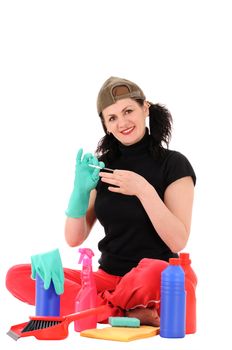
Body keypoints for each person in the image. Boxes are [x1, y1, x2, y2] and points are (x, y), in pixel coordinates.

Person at [6, 76, 196, 326]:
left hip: (149, 281)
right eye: (112, 118)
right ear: (106, 125)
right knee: (20, 276)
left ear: (145, 109)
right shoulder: (103, 167)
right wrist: (79, 191)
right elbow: (74, 238)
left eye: (128, 111)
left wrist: (144, 190)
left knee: (157, 271)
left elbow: (177, 240)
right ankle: (123, 314)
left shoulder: (174, 164)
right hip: (106, 278)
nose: (123, 123)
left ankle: (94, 307)